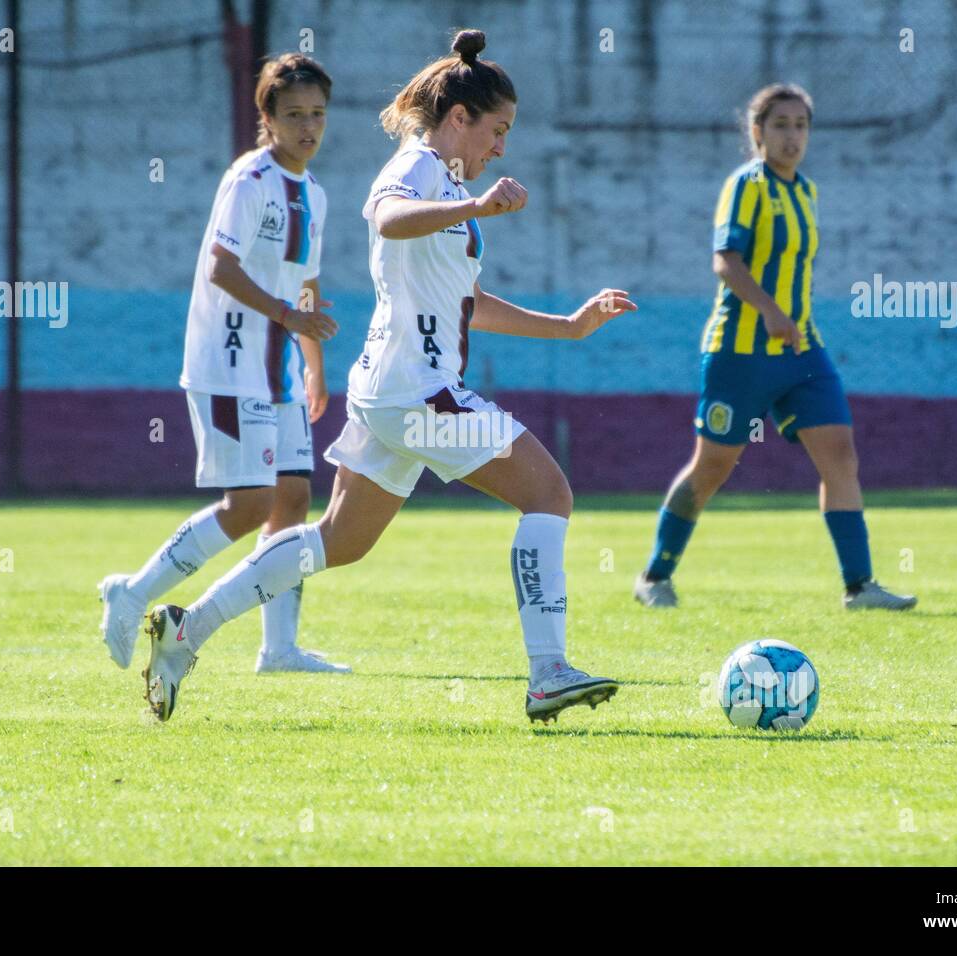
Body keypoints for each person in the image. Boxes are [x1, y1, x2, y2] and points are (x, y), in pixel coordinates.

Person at [139, 29, 637, 724]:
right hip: (418, 390)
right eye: (498, 129)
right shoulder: (422, 167)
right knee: (548, 493)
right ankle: (549, 671)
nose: (502, 147)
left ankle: (186, 630)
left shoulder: (448, 183)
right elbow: (387, 215)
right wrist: (474, 206)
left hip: (390, 390)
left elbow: (465, 301)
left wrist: (567, 325)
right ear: (459, 118)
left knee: (338, 542)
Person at [98, 53, 352, 676]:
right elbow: (221, 267)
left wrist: (315, 366)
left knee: (293, 499)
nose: (308, 127)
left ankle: (279, 648)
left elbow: (307, 284)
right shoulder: (250, 181)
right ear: (266, 116)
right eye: (293, 114)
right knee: (249, 505)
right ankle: (131, 593)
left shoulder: (314, 194)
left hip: (282, 371)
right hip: (230, 364)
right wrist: (290, 321)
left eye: (317, 114)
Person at [634, 83, 916, 612]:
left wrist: (789, 320)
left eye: (801, 125)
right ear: (758, 131)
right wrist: (768, 310)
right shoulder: (747, 186)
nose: (793, 136)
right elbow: (726, 261)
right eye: (781, 124)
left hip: (803, 349)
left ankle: (860, 587)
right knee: (714, 465)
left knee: (840, 455)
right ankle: (655, 575)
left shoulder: (805, 192)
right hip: (740, 352)